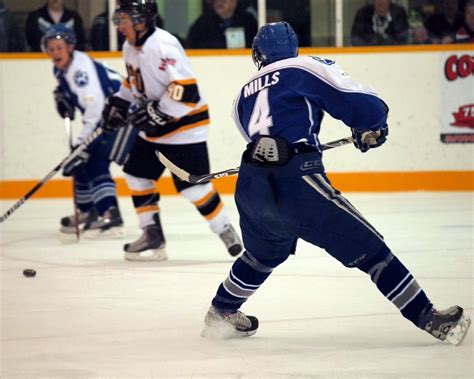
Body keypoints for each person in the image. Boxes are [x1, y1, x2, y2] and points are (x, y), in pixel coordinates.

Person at [201, 22, 471, 345]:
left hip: (251, 186)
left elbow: (263, 139)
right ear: (293, 48)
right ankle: (429, 317)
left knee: (262, 254)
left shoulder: (241, 96)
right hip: (298, 183)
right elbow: (359, 104)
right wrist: (372, 127)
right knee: (372, 251)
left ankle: (222, 310)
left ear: (258, 55)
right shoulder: (304, 66)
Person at [102, 0, 243, 262]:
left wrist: (158, 112)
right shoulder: (129, 48)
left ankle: (225, 229)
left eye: (124, 19)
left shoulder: (162, 46)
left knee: (194, 189)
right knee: (136, 176)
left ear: (141, 21)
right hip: (155, 130)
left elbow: (187, 91)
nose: (120, 25)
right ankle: (151, 232)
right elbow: (134, 81)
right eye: (118, 18)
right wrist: (119, 101)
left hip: (185, 128)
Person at [43, 24, 127, 240]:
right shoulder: (60, 69)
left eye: (59, 47)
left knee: (94, 158)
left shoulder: (81, 71)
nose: (55, 53)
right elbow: (70, 93)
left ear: (70, 47)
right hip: (107, 117)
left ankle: (110, 213)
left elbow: (95, 108)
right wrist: (62, 96)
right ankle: (87, 211)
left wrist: (82, 144)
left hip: (123, 116)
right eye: (51, 49)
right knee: (79, 158)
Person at [187, 0, 258, 49]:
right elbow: (192, 46)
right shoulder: (202, 23)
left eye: (223, 0)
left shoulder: (248, 21)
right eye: (216, 0)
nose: (219, 3)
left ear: (234, 1)